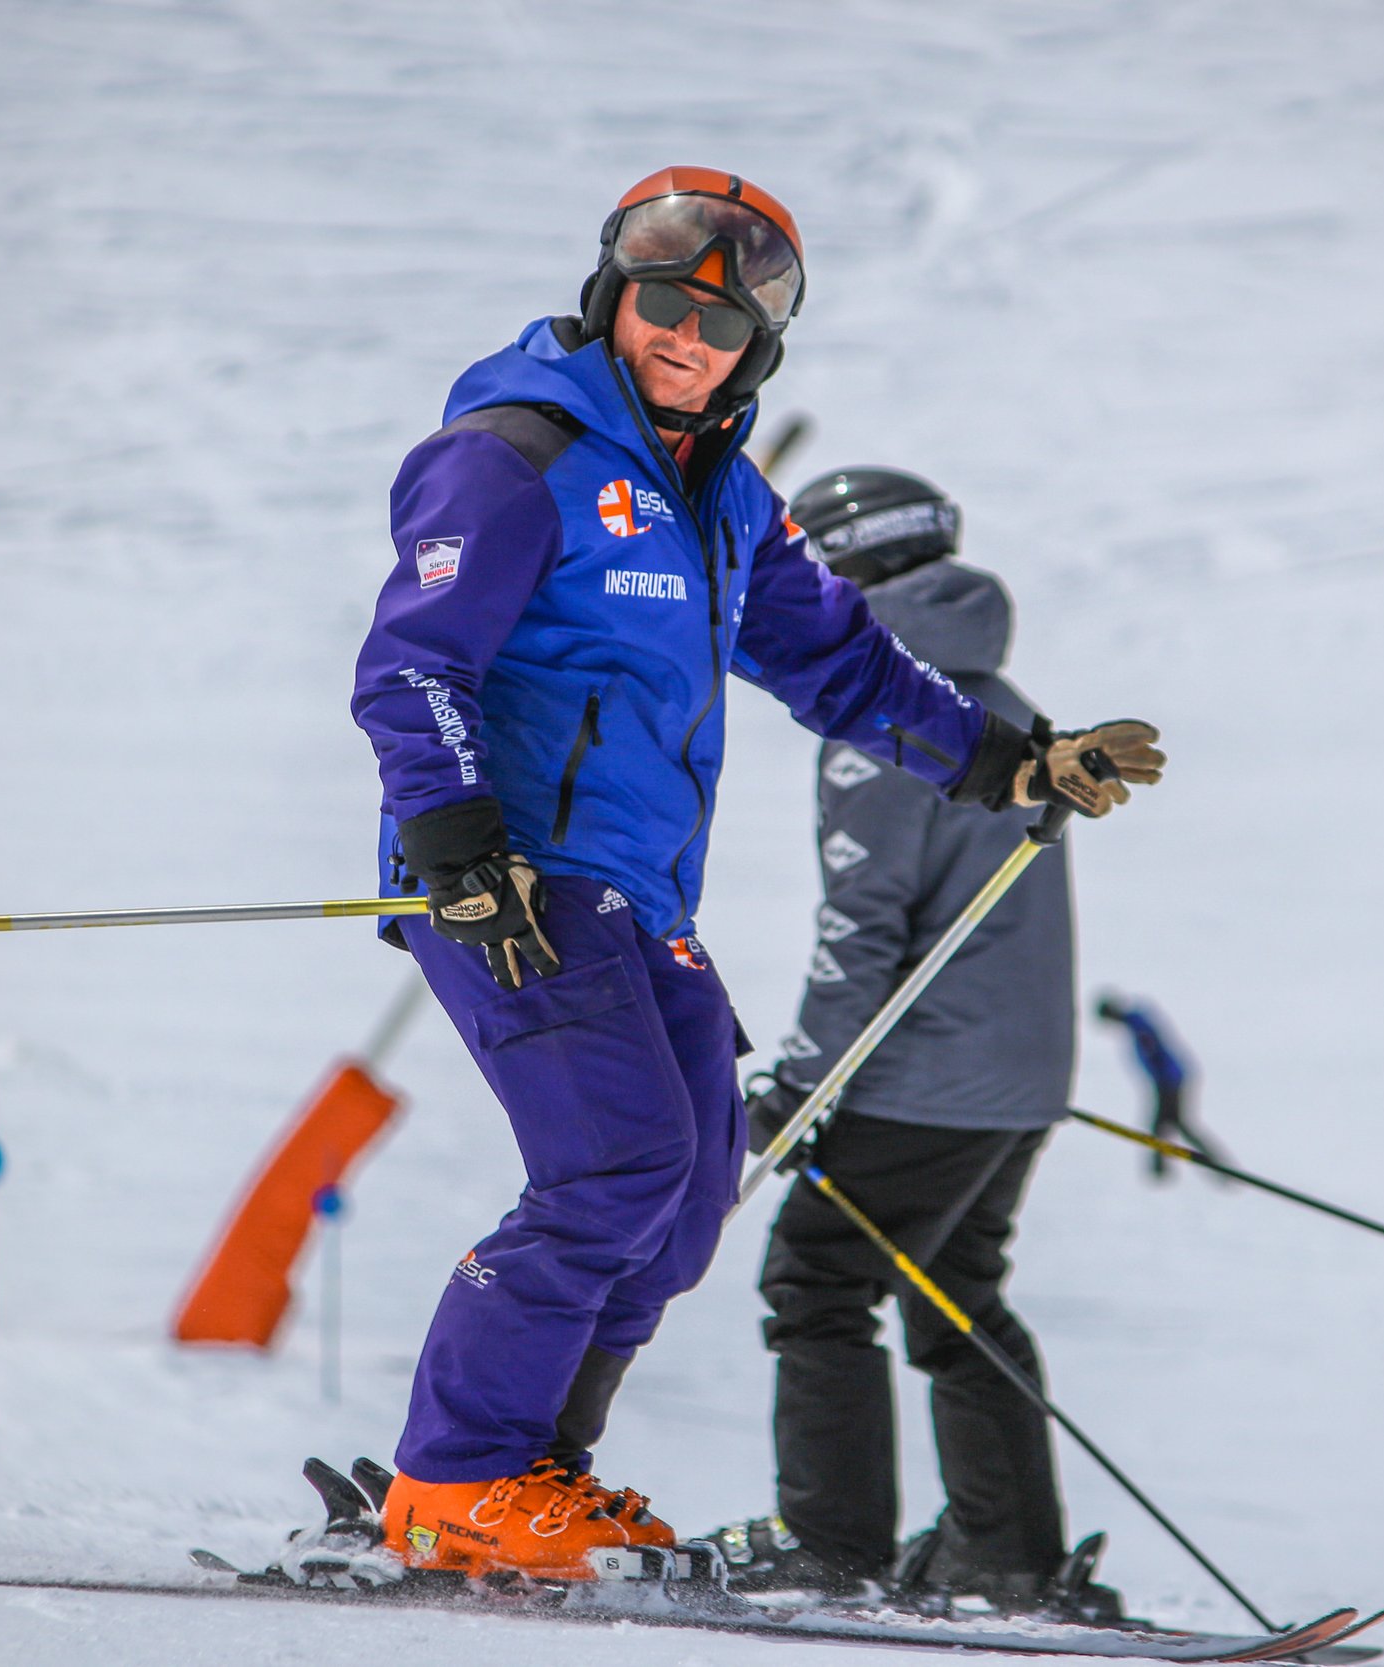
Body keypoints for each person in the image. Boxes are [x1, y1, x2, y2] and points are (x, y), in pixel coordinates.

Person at [349, 170, 1163, 1585]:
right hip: (515, 879)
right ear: (615, 297)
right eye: (665, 304)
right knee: (614, 1164)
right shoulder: (515, 450)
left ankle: (536, 1466)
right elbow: (414, 662)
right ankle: (454, 1479)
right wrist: (456, 844)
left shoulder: (723, 496)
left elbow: (841, 661)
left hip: (635, 894)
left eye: (722, 324)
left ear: (758, 350)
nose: (687, 338)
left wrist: (1016, 761)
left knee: (690, 1187)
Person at [706, 467, 1138, 1616]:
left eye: (800, 570)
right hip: (1014, 1076)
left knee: (817, 1277)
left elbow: (863, 926)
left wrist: (798, 1085)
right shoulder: (1002, 706)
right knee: (954, 1288)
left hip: (923, 1075)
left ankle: (830, 1540)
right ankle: (1004, 1550)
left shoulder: (891, 723)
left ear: (844, 571)